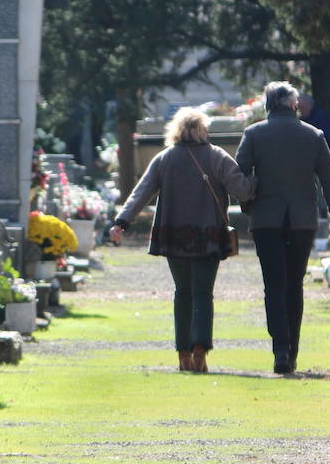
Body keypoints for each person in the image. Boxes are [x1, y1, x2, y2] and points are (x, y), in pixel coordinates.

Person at [108, 108, 255, 372]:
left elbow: (142, 192)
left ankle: (183, 354)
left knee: (182, 293)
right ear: (203, 130)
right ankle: (200, 351)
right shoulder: (216, 156)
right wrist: (256, 177)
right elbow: (242, 190)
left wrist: (122, 222)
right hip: (209, 235)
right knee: (202, 293)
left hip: (174, 235)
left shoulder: (165, 158)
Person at [236, 81, 330, 374]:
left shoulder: (253, 134)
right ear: (293, 105)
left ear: (268, 104)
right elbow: (329, 182)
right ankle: (293, 348)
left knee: (273, 285)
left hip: (266, 220)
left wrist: (249, 205)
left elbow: (238, 178)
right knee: (293, 284)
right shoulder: (313, 135)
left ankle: (280, 349)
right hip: (301, 221)